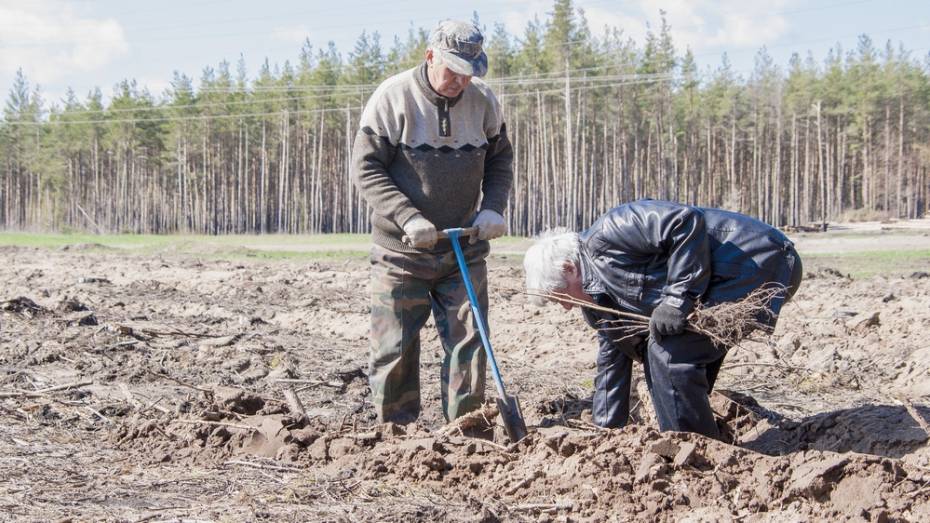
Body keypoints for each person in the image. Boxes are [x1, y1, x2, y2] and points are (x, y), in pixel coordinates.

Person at [523, 200, 802, 439]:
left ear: (569, 268)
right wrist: (606, 433)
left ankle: (696, 453)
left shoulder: (612, 231)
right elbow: (612, 362)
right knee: (659, 353)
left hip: (759, 263)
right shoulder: (597, 304)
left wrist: (676, 299)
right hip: (719, 283)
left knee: (668, 353)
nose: (565, 307)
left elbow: (684, 221)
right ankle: (687, 440)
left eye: (560, 296)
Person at [351, 20, 513, 425]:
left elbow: (499, 160)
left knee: (470, 345)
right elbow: (366, 167)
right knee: (395, 349)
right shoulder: (393, 97)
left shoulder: (484, 101)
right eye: (452, 71)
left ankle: (466, 433)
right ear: (430, 57)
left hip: (464, 249)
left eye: (469, 72)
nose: (461, 81)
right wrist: (407, 217)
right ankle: (395, 438)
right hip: (401, 253)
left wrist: (493, 206)